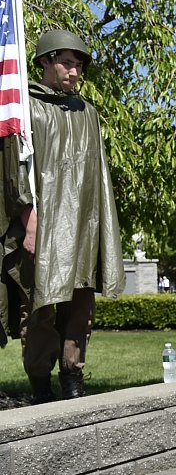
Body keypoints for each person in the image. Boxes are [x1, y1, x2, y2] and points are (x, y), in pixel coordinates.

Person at [0, 30, 124, 403]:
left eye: (78, 65)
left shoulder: (87, 112)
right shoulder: (26, 108)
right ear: (45, 62)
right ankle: (40, 383)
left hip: (83, 223)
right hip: (42, 224)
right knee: (40, 305)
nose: (74, 72)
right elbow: (13, 169)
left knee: (81, 305)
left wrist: (101, 228)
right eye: (67, 63)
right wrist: (28, 217)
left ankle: (73, 379)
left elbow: (96, 174)